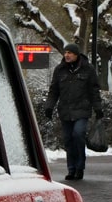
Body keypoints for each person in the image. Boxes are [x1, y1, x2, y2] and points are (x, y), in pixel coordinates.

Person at [44, 42, 103, 181]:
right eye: (65, 53)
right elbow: (54, 90)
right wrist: (49, 106)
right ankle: (71, 169)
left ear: (76, 55)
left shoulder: (88, 69)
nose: (67, 55)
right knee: (68, 140)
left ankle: (79, 167)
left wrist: (98, 108)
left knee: (78, 134)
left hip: (82, 109)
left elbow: (94, 91)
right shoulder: (60, 70)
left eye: (69, 53)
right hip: (65, 111)